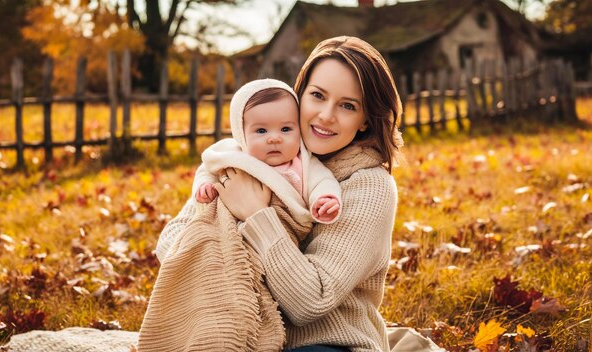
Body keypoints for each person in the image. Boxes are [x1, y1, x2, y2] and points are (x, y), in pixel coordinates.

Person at [155, 36, 442, 351]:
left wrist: (256, 215)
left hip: (328, 343)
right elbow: (171, 241)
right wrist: (216, 250)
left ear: (363, 120)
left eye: (348, 105)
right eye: (317, 95)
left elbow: (310, 303)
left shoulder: (369, 186)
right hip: (245, 332)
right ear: (298, 95)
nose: (326, 115)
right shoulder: (256, 153)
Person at [193, 78, 342, 229]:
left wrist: (324, 199)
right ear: (241, 133)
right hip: (229, 224)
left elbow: (323, 181)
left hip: (282, 229)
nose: (274, 139)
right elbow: (207, 169)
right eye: (261, 131)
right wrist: (204, 186)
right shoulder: (233, 155)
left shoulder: (303, 162)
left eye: (285, 129)